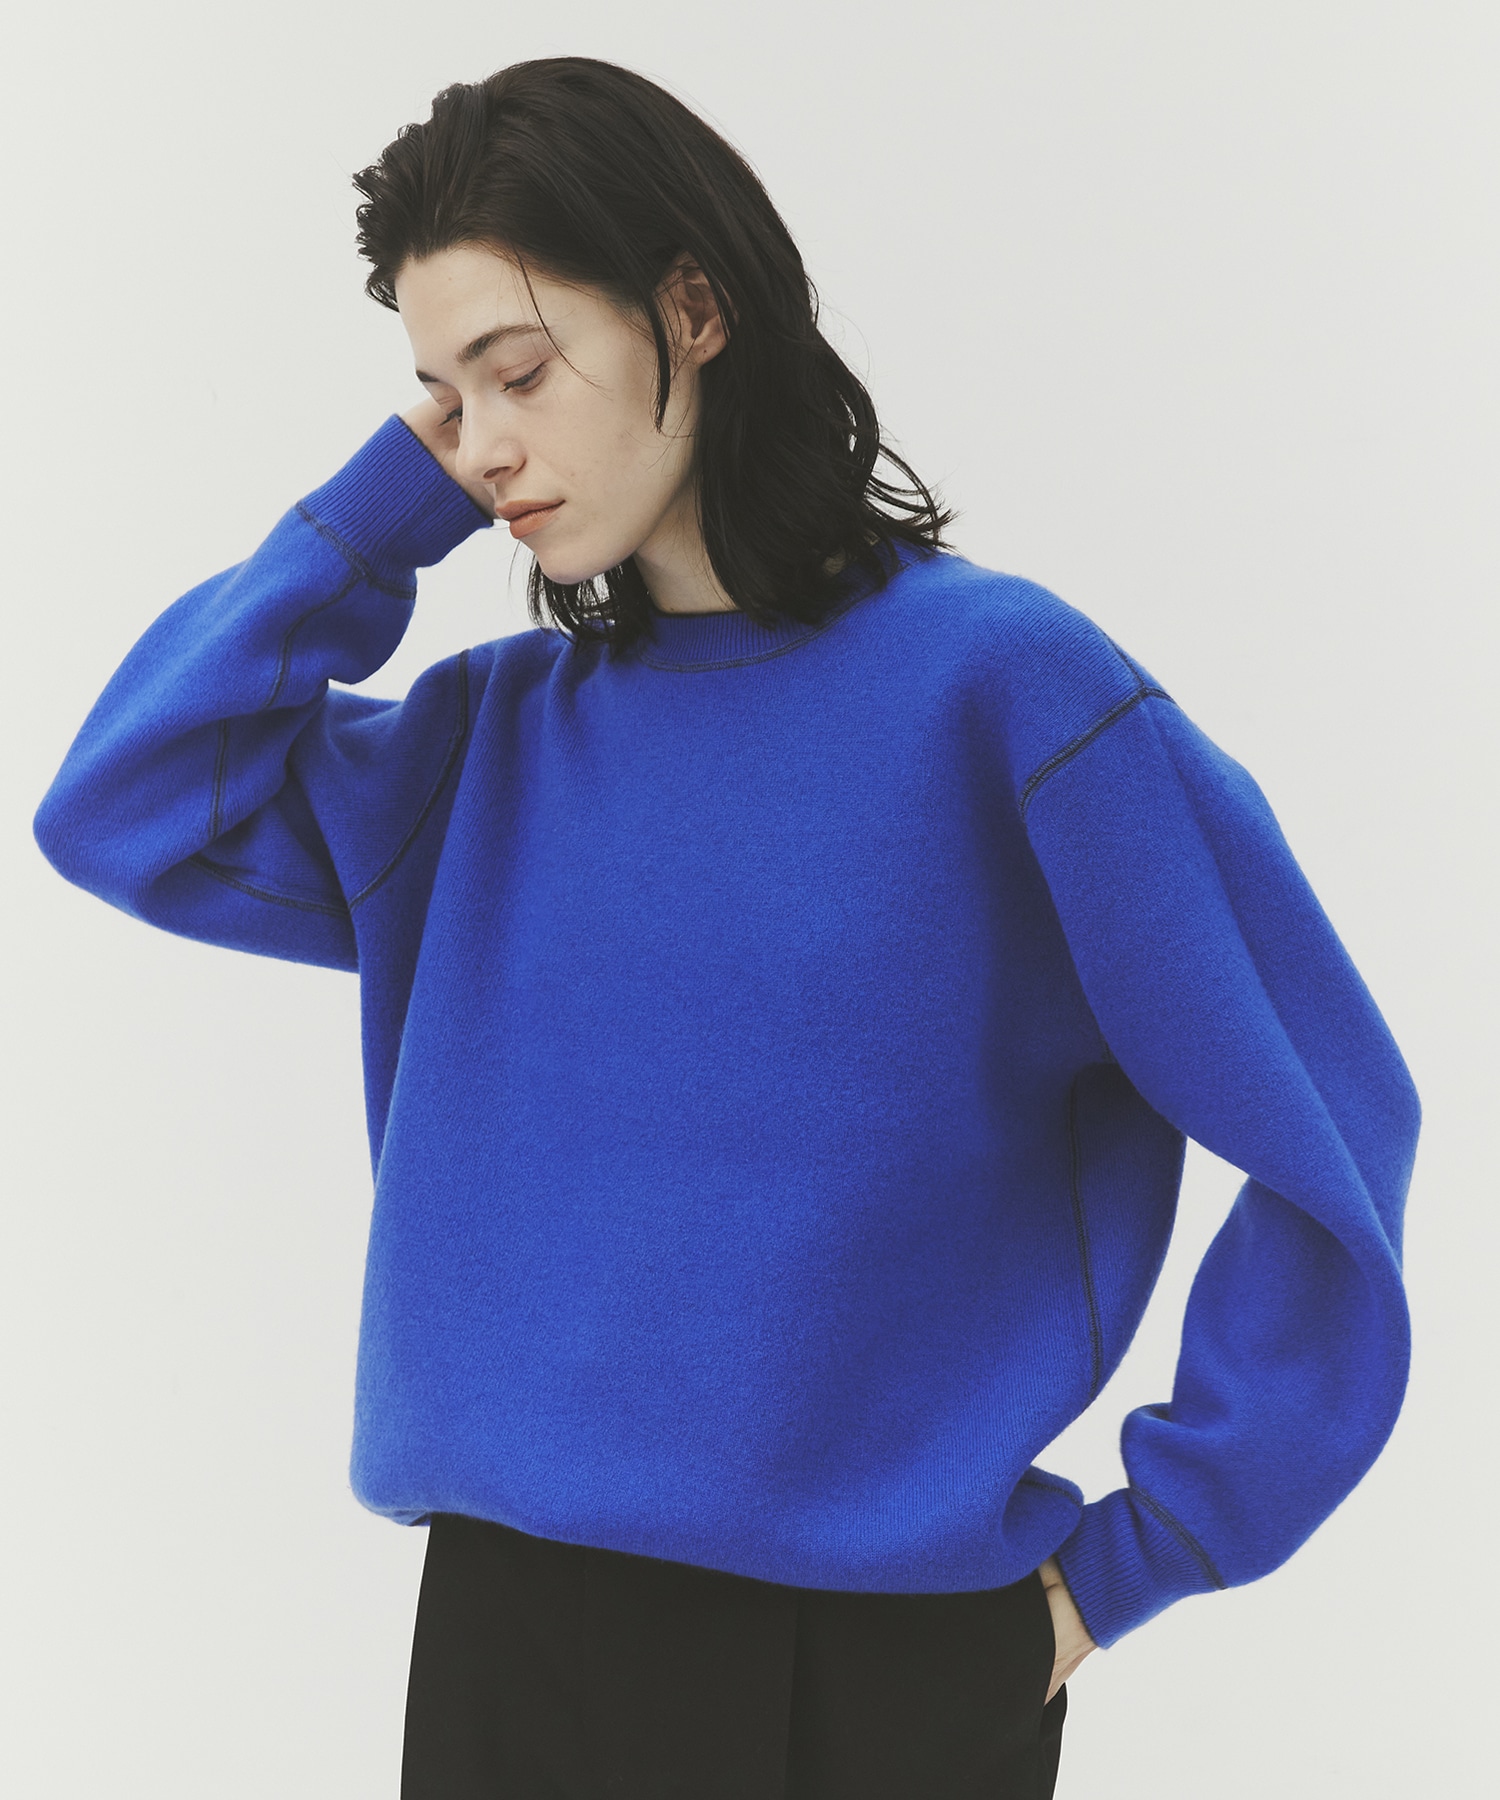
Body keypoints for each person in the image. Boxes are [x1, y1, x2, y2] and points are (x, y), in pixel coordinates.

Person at [31, 55, 1419, 1800]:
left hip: (879, 1670)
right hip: (510, 1640)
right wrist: (388, 506)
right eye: (442, 400)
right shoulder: (482, 751)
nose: (486, 447)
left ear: (692, 311)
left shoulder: (1008, 695)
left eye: (520, 371)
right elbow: (127, 800)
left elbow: (1333, 1117)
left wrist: (1144, 1556)